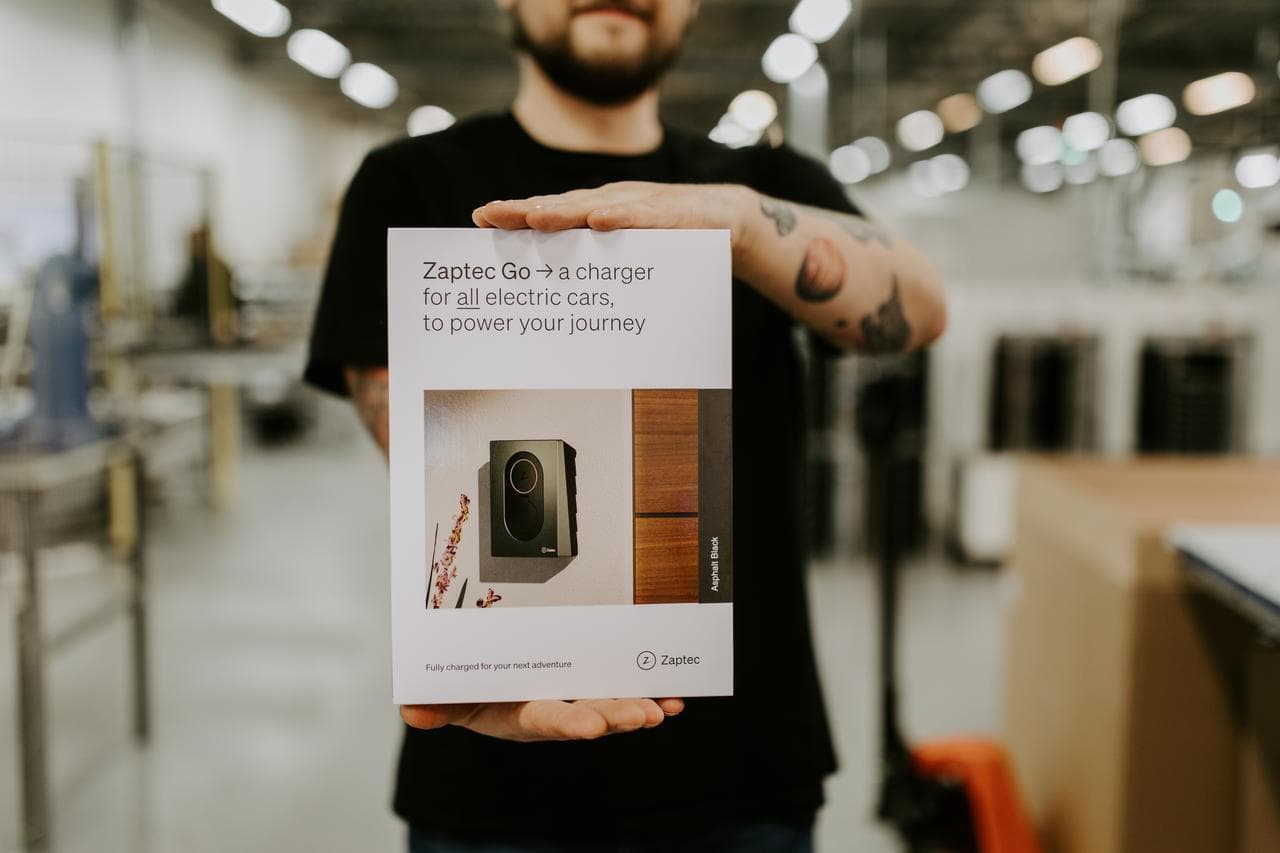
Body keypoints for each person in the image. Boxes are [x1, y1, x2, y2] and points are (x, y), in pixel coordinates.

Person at [305, 1, 947, 850]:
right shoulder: (409, 180)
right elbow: (417, 440)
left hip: (742, 767)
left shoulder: (759, 183)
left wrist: (743, 227)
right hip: (490, 770)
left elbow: (920, 308)